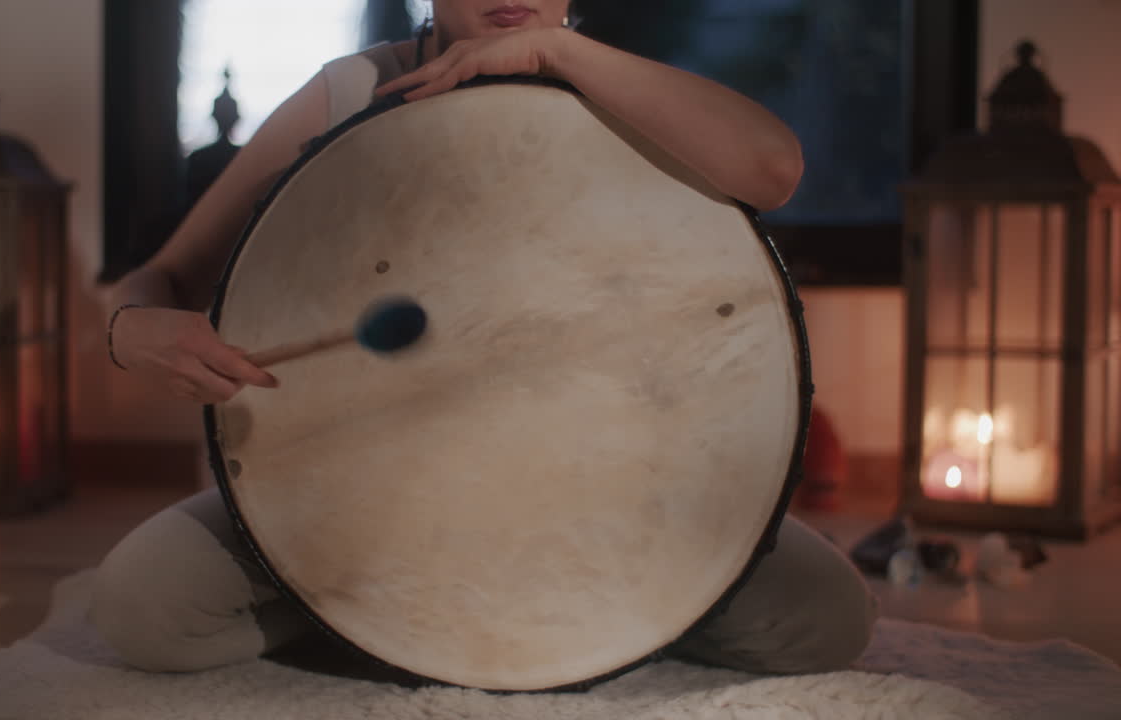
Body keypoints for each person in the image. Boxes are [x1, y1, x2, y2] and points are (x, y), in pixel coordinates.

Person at [93, 0, 877, 678]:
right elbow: (165, 277)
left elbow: (772, 168)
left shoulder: (618, 84)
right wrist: (131, 330)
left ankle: (609, 617)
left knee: (827, 618)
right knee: (144, 610)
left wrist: (556, 50)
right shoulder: (351, 92)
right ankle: (359, 613)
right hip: (357, 494)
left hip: (607, 489)